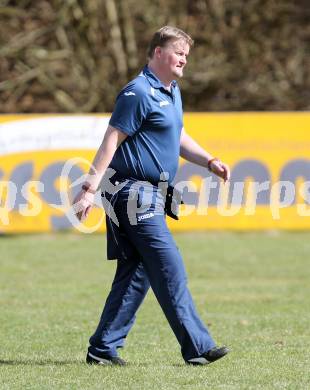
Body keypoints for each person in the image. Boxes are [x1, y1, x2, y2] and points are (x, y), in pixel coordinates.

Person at [73, 26, 230, 366]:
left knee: (138, 270)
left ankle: (102, 349)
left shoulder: (171, 92)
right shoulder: (138, 92)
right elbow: (112, 139)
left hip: (154, 194)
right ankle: (198, 347)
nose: (184, 58)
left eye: (187, 53)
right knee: (168, 264)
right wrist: (88, 189)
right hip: (131, 192)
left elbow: (179, 134)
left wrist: (209, 161)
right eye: (178, 51)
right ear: (158, 53)